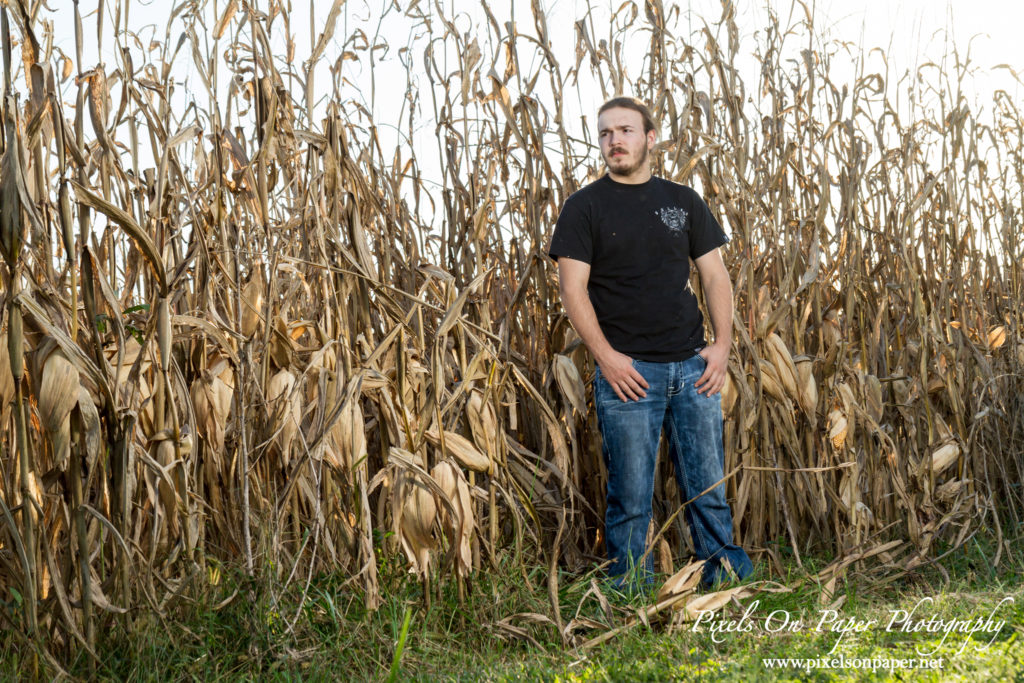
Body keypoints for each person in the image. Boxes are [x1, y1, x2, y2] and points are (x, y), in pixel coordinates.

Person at [547, 96, 753, 592]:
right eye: (605, 133)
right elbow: (572, 290)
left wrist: (722, 346)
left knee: (707, 489)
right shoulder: (584, 207)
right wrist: (608, 359)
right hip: (628, 373)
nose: (614, 141)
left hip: (693, 368)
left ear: (649, 138)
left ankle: (721, 578)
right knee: (631, 494)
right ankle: (631, 589)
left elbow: (715, 276)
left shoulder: (683, 202)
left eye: (625, 130)